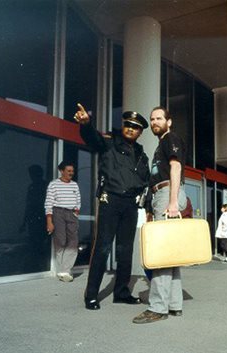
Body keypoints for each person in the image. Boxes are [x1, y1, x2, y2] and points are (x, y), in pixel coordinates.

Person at [74, 103, 150, 310]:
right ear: (123, 125)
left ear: (140, 132)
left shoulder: (142, 156)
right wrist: (86, 125)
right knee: (103, 248)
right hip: (111, 201)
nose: (130, 129)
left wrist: (146, 203)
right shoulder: (109, 143)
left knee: (126, 251)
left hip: (130, 206)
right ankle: (91, 296)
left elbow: (145, 183)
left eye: (135, 127)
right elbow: (92, 139)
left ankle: (122, 293)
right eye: (128, 124)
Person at [133, 106, 188, 324]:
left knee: (162, 255)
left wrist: (173, 202)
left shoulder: (169, 138)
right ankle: (174, 304)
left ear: (169, 121)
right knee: (170, 255)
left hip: (168, 195)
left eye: (159, 118)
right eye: (152, 119)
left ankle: (157, 307)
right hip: (162, 196)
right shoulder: (160, 145)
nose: (155, 122)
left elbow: (176, 168)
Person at [44, 161, 81, 282]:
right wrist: (49, 221)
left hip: (71, 214)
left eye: (72, 171)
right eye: (69, 171)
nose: (71, 173)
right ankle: (62, 270)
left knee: (73, 242)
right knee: (61, 240)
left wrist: (75, 212)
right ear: (62, 171)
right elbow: (48, 202)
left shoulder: (74, 185)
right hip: (58, 213)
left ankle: (65, 270)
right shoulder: (53, 184)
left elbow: (78, 201)